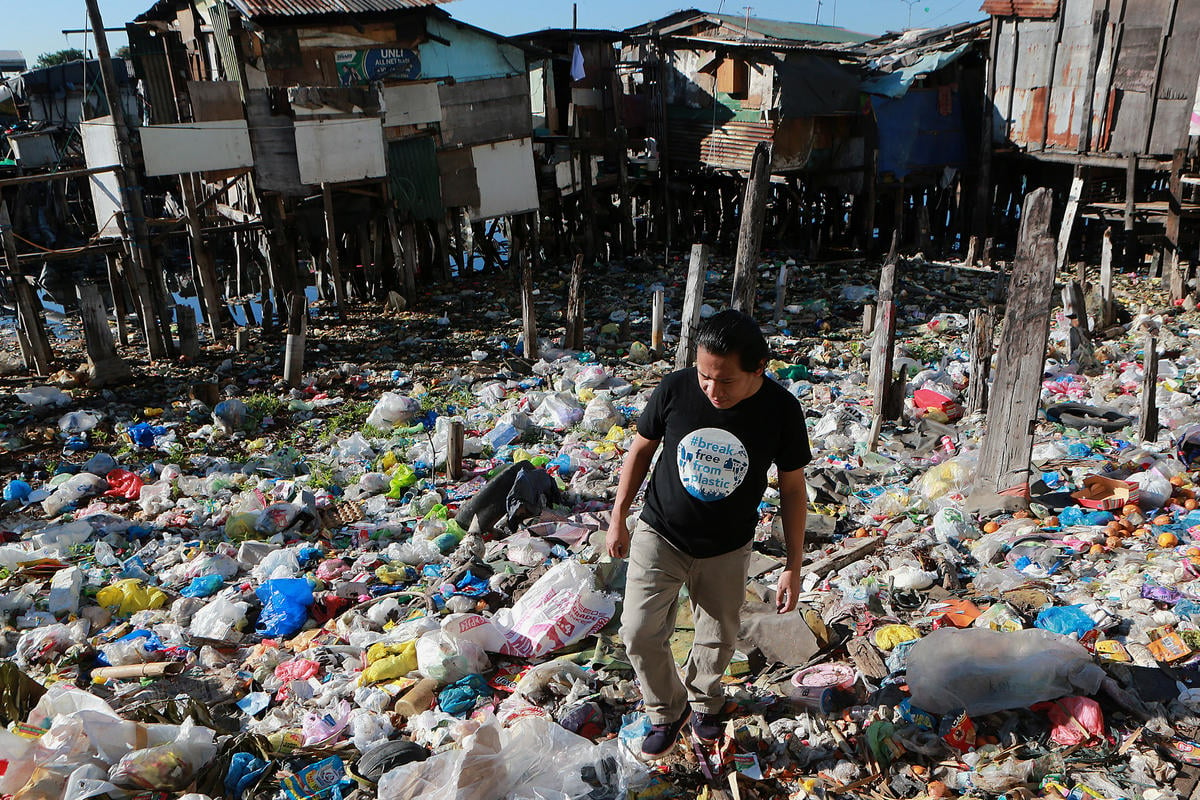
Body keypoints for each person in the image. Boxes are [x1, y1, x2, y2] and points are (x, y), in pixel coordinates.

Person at [606, 309, 812, 759]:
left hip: (727, 546)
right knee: (638, 633)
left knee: (717, 639)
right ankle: (667, 708)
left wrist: (793, 567)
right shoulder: (676, 389)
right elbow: (641, 449)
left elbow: (794, 490)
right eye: (704, 377)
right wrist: (618, 514)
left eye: (725, 381)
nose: (712, 391)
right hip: (660, 533)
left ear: (759, 368)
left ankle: (704, 702)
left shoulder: (781, 410)